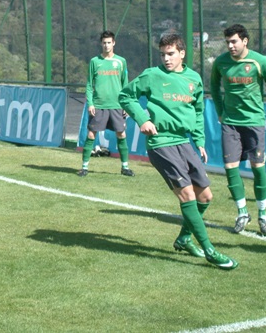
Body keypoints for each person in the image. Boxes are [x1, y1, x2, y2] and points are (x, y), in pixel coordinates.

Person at [119, 33, 238, 270]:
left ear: (182, 53)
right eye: (162, 54)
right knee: (187, 195)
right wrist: (142, 119)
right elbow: (126, 95)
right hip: (160, 142)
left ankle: (184, 239)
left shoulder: (193, 79)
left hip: (184, 142)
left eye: (170, 53)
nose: (166, 58)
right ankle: (209, 251)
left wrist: (200, 142)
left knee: (206, 197)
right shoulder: (152, 75)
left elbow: (197, 112)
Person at [210, 24, 266, 235]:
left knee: (258, 167)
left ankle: (263, 214)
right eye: (228, 42)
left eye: (234, 41)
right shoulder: (221, 62)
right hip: (230, 122)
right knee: (230, 167)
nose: (230, 46)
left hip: (254, 122)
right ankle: (242, 212)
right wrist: (220, 111)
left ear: (245, 41)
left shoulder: (260, 61)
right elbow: (213, 86)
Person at [79, 30, 134, 177]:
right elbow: (90, 85)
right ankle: (84, 167)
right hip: (99, 105)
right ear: (100, 44)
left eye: (109, 42)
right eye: (104, 43)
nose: (106, 45)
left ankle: (125, 167)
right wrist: (91, 103)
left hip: (116, 105)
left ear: (114, 43)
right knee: (91, 135)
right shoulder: (94, 62)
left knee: (121, 134)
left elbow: (125, 85)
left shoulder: (121, 62)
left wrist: (126, 105)